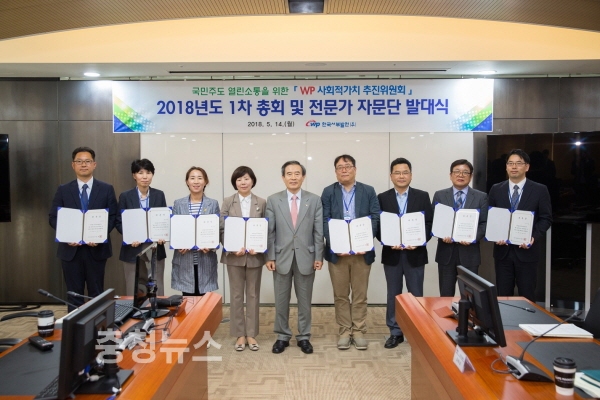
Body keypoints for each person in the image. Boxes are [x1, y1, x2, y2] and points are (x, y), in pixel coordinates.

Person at [321, 154, 380, 350]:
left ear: (355, 169)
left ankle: (359, 330)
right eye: (340, 167)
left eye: (348, 166)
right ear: (335, 171)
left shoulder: (368, 190)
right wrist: (336, 244)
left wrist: (365, 241)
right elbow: (324, 220)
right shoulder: (328, 192)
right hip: (338, 254)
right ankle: (345, 330)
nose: (344, 170)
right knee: (341, 295)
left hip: (362, 252)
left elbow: (375, 217)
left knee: (360, 294)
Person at [49, 146, 118, 311]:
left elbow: (113, 217)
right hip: (70, 251)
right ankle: (75, 327)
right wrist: (67, 236)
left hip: (96, 250)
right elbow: (53, 217)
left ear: (94, 164)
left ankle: (98, 325)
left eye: (87, 161)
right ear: (73, 165)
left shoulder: (106, 189)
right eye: (79, 161)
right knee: (74, 295)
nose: (83, 164)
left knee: (96, 294)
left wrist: (100, 236)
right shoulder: (63, 190)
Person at [265, 161, 324, 354]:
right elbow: (270, 232)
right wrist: (270, 256)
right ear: (283, 177)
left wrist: (319, 256)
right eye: (289, 174)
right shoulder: (273, 200)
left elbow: (318, 231)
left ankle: (304, 336)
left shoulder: (314, 200)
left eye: (297, 173)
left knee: (305, 301)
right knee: (281, 300)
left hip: (307, 257)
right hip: (280, 257)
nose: (293, 177)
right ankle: (282, 336)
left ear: (303, 177)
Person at [376, 158, 433, 349]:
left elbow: (429, 223)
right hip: (391, 254)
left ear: (411, 175)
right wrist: (387, 240)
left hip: (415, 253)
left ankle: (417, 331)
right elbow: (378, 225)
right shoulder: (382, 197)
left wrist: (418, 241)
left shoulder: (422, 196)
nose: (401, 176)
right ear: (391, 176)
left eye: (405, 172)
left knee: (416, 294)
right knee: (393, 293)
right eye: (397, 172)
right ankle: (395, 332)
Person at [488, 149, 552, 301]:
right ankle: (504, 318)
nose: (514, 167)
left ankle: (527, 318)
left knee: (527, 295)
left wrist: (533, 237)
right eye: (510, 163)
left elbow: (546, 218)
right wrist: (495, 235)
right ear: (506, 167)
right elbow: (490, 217)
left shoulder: (539, 190)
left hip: (527, 252)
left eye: (518, 163)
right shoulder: (496, 189)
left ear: (527, 167)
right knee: (503, 296)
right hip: (502, 253)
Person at [220, 166, 266, 352]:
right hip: (234, 256)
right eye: (239, 179)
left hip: (255, 256)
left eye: (246, 179)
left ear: (252, 181)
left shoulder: (261, 202)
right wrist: (231, 247)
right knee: (236, 295)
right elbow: (222, 228)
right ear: (235, 182)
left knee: (253, 294)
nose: (243, 182)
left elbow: (266, 228)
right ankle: (239, 334)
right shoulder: (227, 202)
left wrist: (260, 246)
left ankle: (251, 334)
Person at [432, 159, 488, 296]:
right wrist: (441, 234)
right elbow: (434, 220)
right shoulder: (440, 195)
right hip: (446, 253)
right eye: (457, 171)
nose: (460, 175)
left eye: (465, 172)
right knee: (445, 295)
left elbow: (484, 223)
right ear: (450, 175)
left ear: (471, 176)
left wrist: (473, 237)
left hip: (470, 254)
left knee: (470, 296)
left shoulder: (481, 197)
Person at [116, 159, 167, 296]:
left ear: (152, 175)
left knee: (157, 288)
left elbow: (163, 220)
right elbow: (119, 221)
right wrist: (129, 237)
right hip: (132, 248)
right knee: (133, 288)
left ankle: (157, 310)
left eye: (148, 173)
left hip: (155, 247)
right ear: (134, 175)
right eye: (140, 173)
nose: (145, 176)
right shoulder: (125, 196)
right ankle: (135, 311)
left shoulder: (159, 195)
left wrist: (163, 235)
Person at [171, 167, 220, 296]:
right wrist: (178, 244)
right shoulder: (178, 203)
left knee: (205, 302)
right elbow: (174, 229)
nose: (196, 182)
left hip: (205, 259)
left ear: (205, 181)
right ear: (187, 181)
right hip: (184, 259)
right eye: (192, 178)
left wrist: (211, 245)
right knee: (188, 301)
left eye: (200, 178)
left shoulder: (213, 204)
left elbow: (216, 229)